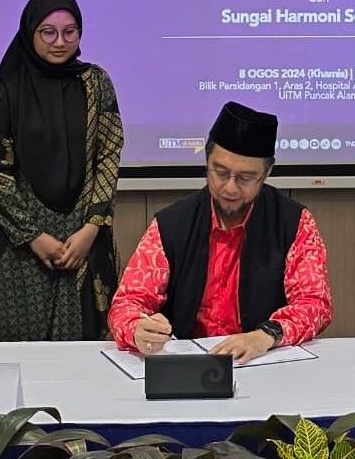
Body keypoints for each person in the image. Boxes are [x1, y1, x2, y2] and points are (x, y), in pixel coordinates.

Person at [108, 102, 332, 362]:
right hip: (188, 366)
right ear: (206, 161)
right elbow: (126, 304)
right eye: (221, 172)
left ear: (267, 172)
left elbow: (315, 304)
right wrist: (137, 327)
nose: (230, 188)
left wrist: (266, 335)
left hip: (262, 361)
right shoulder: (171, 224)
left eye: (245, 178)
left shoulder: (294, 223)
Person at [0, 0, 123, 340]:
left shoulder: (95, 82)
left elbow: (109, 154)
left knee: (85, 356)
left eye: (70, 32)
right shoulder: (0, 91)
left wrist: (90, 229)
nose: (60, 42)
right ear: (30, 32)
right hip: (21, 247)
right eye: (48, 32)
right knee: (19, 353)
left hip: (84, 239)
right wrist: (35, 237)